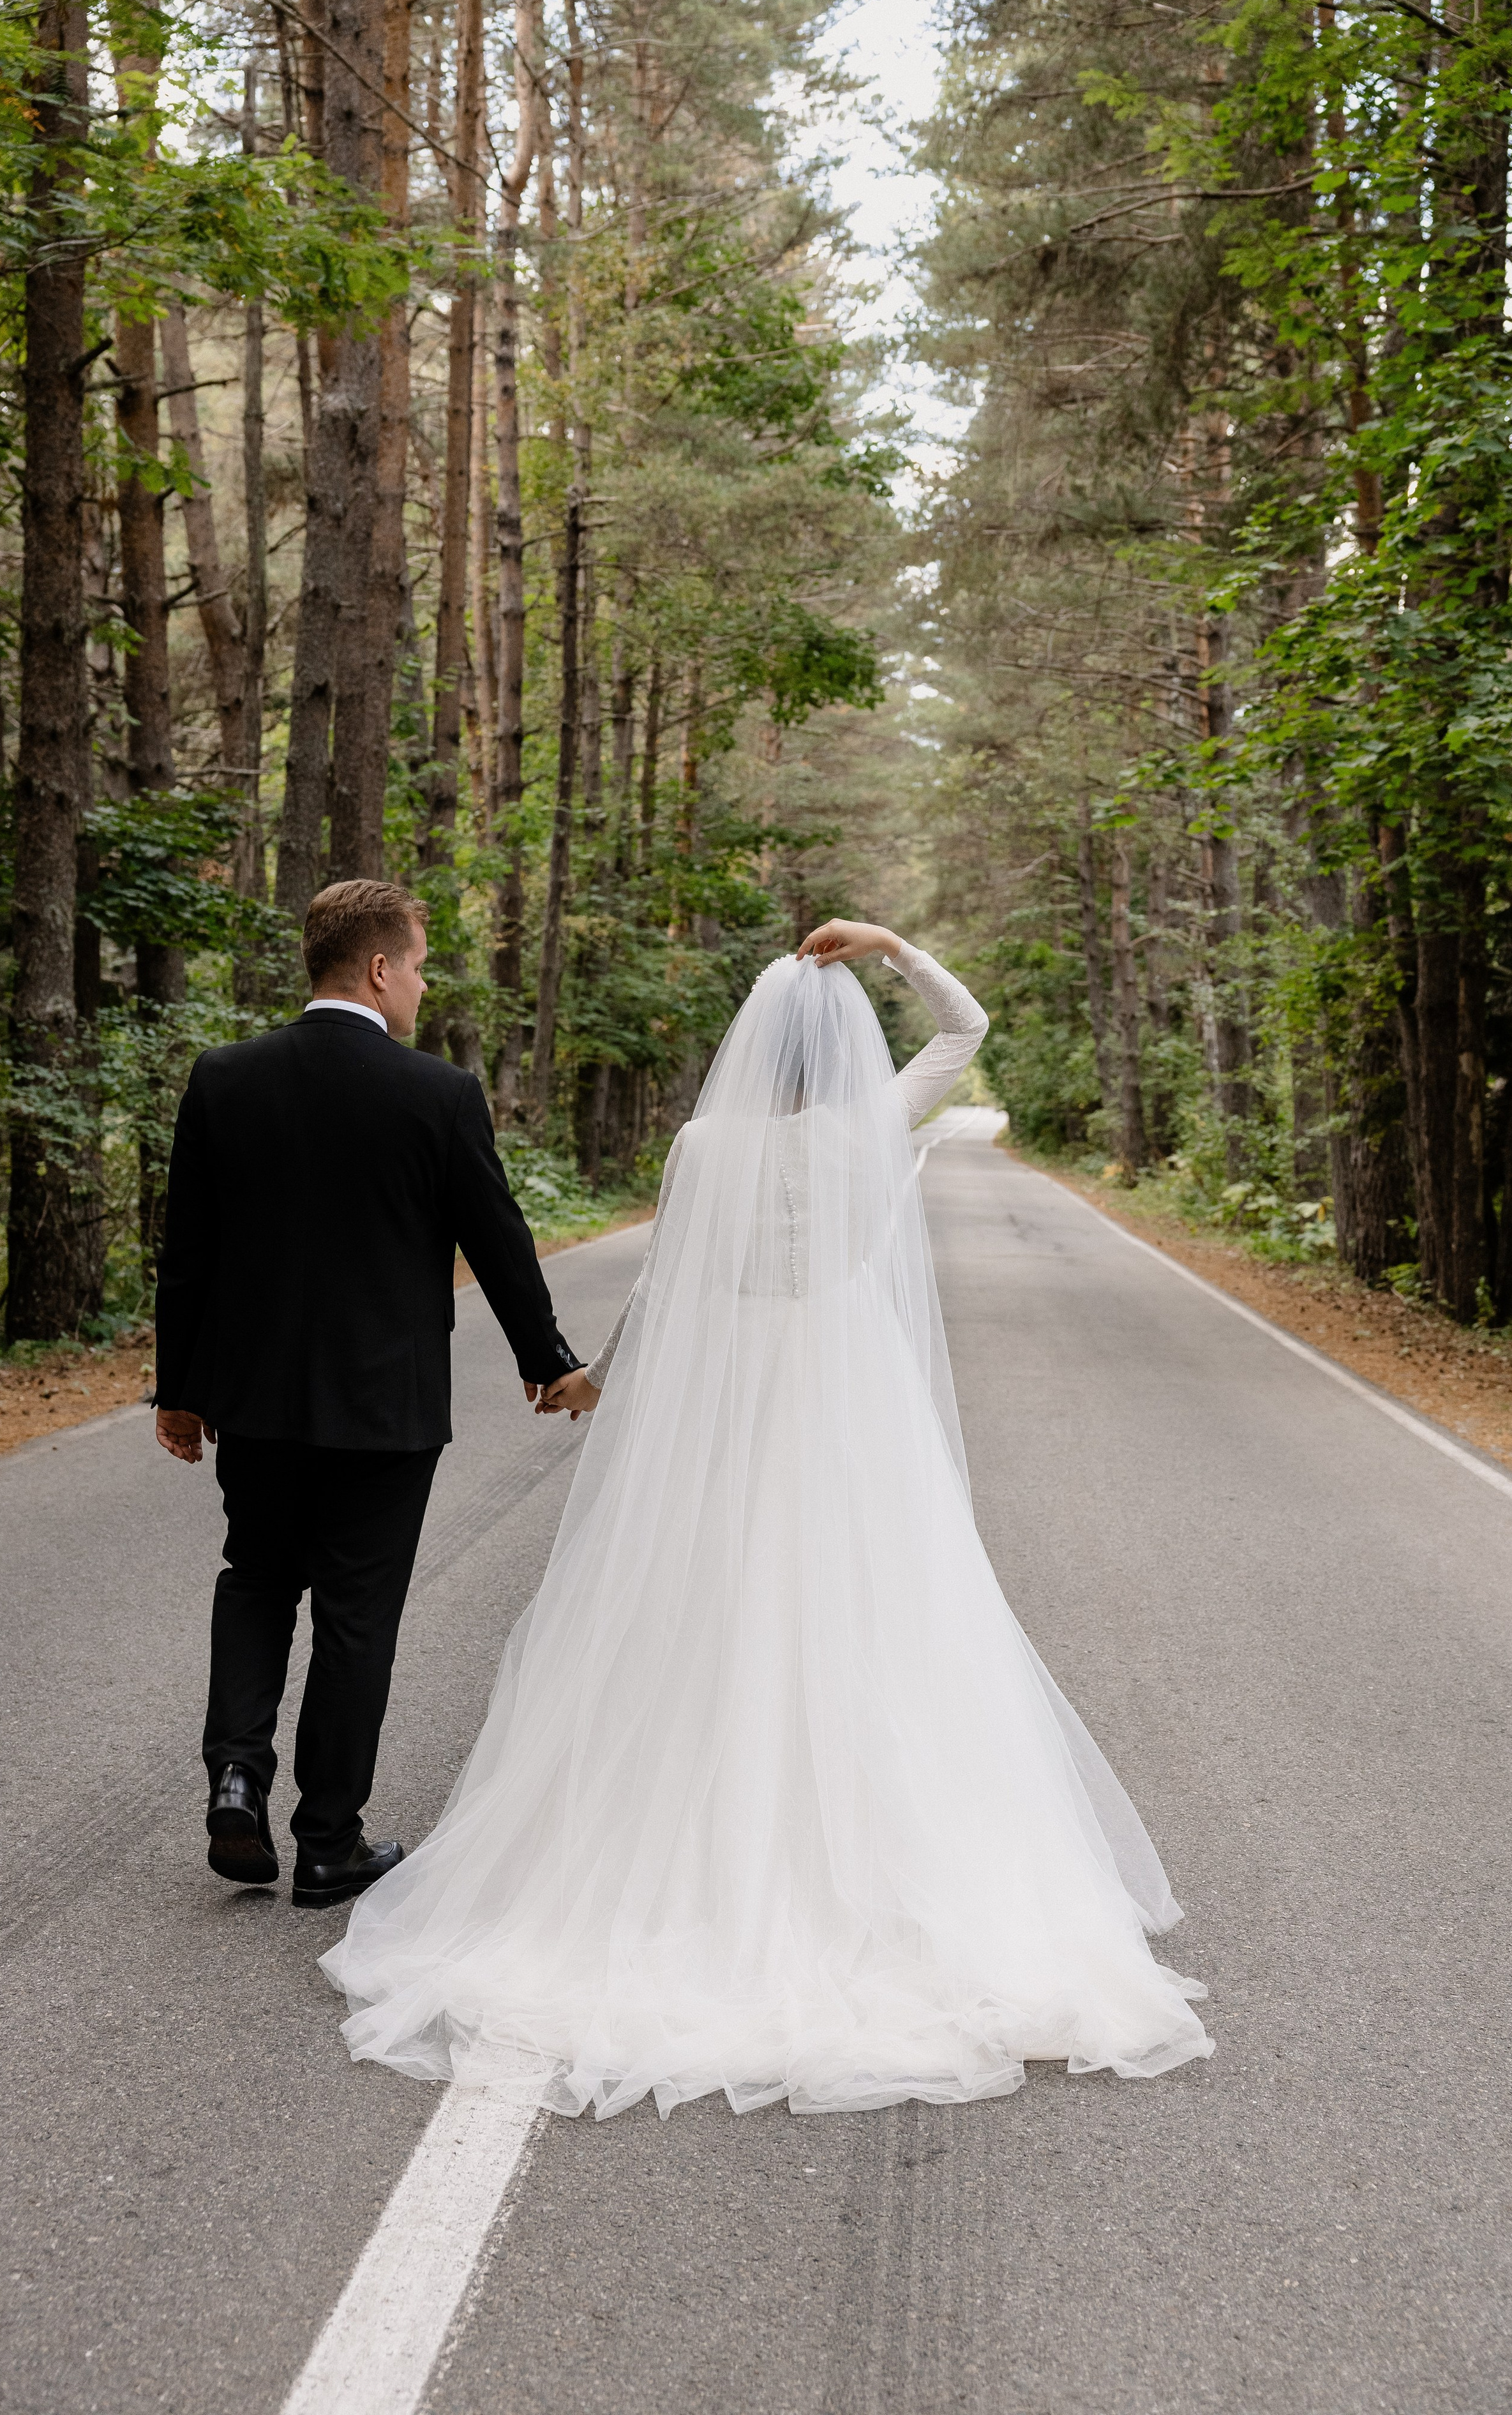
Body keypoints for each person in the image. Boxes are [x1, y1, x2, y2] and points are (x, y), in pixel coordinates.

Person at [322, 918, 1211, 2115]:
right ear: (838, 1053)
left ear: (752, 1046)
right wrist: (890, 946)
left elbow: (669, 1281)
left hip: (731, 1403)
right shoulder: (868, 1130)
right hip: (848, 1400)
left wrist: (606, 1384)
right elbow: (969, 1029)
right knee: (871, 1614)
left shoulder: (702, 1146)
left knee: (713, 1611)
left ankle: (689, 1856)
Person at [154, 879, 581, 1910]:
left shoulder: (225, 1078)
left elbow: (189, 1252)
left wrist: (180, 1389)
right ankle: (328, 1844)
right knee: (357, 1616)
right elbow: (498, 1239)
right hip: (384, 1410)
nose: (424, 988)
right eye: (422, 966)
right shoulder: (437, 1095)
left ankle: (237, 1776)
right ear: (381, 967)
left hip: (253, 1399)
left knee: (255, 1577)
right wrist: (548, 1361)